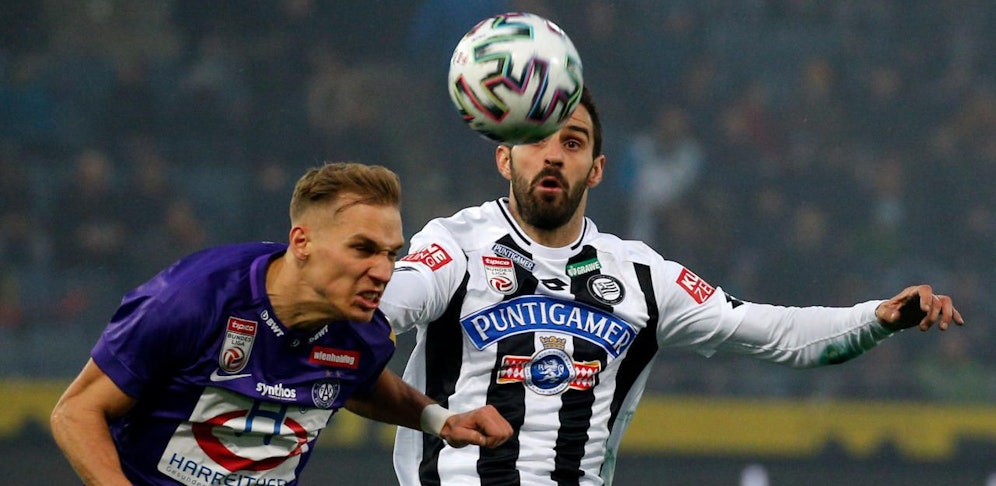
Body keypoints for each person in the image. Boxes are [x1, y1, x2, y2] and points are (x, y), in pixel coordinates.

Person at [380, 87, 964, 485]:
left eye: (574, 142)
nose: (554, 156)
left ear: (599, 169)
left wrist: (878, 319)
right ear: (504, 159)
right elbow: (379, 311)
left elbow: (776, 332)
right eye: (538, 140)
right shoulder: (456, 245)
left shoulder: (640, 276)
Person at [50, 162, 513, 485]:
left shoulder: (363, 330)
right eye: (363, 249)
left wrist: (440, 419)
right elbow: (76, 412)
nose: (384, 271)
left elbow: (360, 382)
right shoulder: (194, 300)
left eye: (391, 254)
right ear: (302, 241)